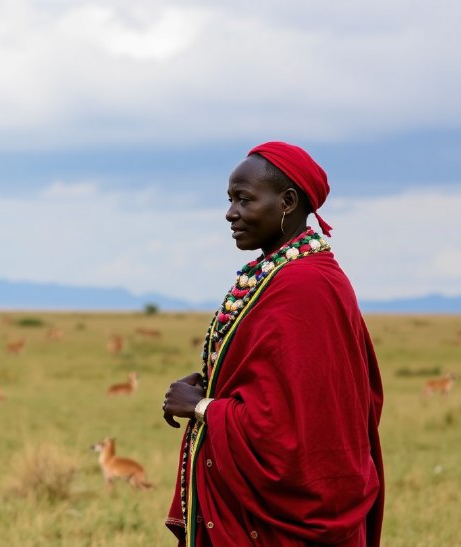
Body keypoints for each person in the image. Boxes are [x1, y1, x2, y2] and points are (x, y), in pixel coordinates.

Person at [162, 142, 384, 546]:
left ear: (288, 202)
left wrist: (201, 407)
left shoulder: (304, 285)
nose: (230, 213)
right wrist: (216, 384)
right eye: (229, 200)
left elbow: (299, 426)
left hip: (286, 518)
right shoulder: (282, 272)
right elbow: (271, 379)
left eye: (244, 200)